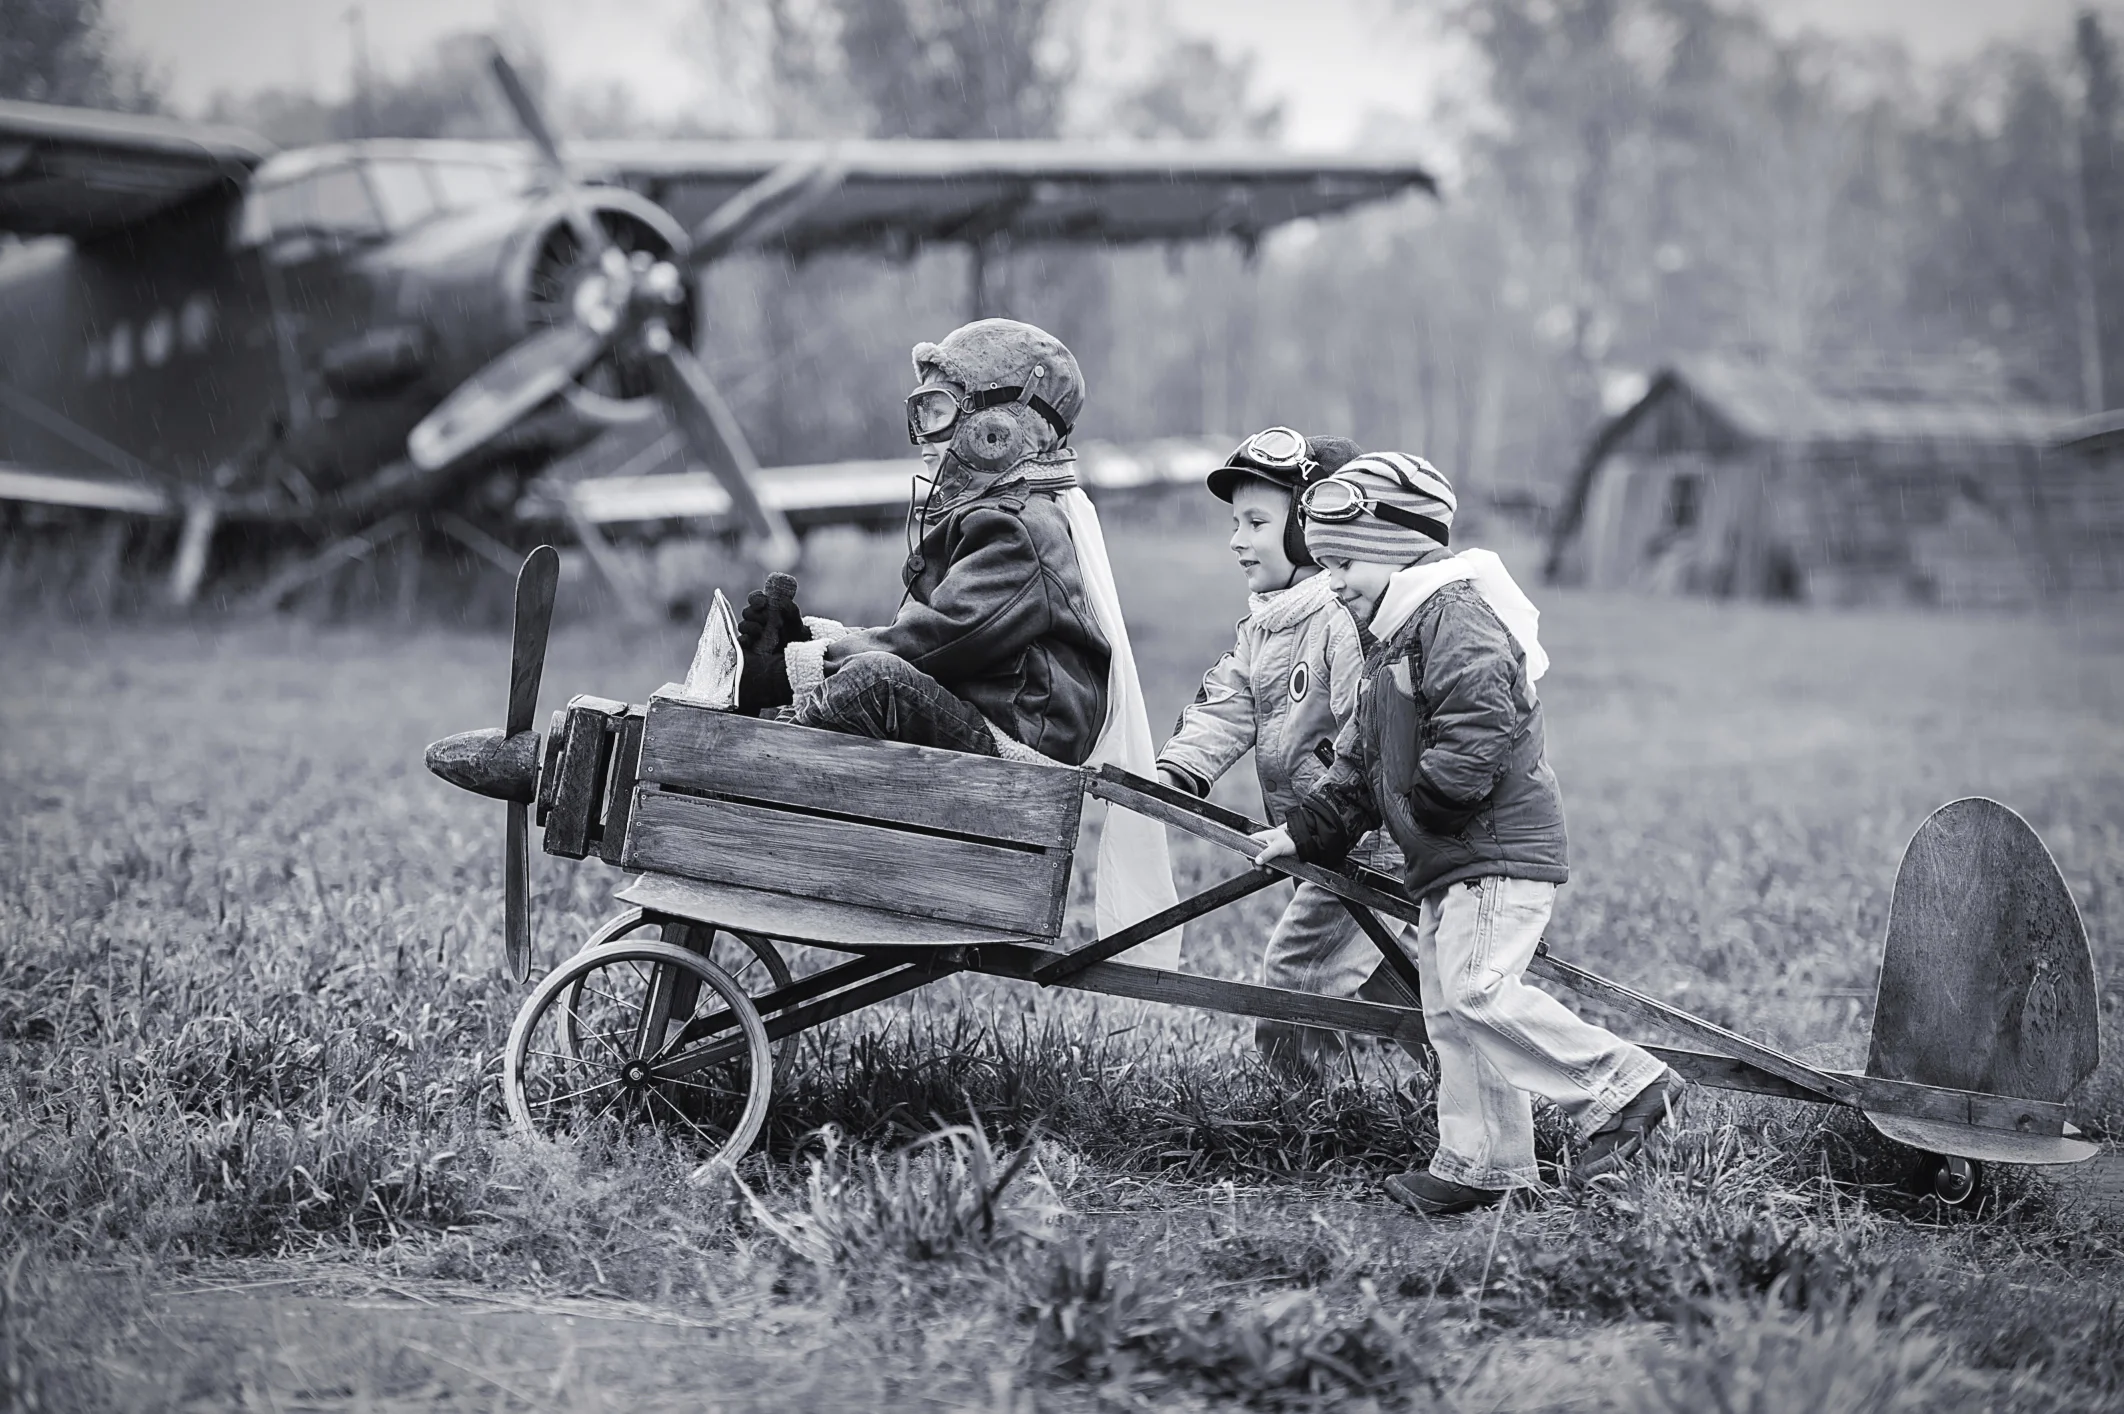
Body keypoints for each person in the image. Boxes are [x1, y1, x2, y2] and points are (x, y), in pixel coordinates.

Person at [1251, 452, 1684, 1216]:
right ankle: (1483, 1164)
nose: (1333, 581)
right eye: (1325, 564)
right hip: (1450, 858)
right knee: (1451, 1012)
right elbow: (1359, 761)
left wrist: (1433, 803)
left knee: (1479, 991)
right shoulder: (1392, 636)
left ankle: (1624, 1086)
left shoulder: (1454, 615)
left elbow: (1480, 718)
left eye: (1345, 562)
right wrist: (1307, 829)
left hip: (1492, 851)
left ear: (1397, 548)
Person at [737, 318, 1181, 966]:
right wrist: (814, 639)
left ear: (996, 428)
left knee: (877, 682)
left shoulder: (1019, 526)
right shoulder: (1001, 512)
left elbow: (941, 636)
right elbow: (927, 635)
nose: (923, 434)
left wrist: (796, 667)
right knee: (871, 676)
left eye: (938, 410)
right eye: (918, 412)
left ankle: (750, 793)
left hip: (1021, 750)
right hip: (994, 720)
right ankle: (767, 746)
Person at [1155, 427, 1425, 1084]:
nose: (1236, 539)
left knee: (1297, 973)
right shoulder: (1268, 622)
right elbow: (1226, 701)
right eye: (1235, 523)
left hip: (1365, 840)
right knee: (1405, 985)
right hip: (1322, 835)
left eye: (1256, 522)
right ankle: (1481, 1078)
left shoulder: (1343, 619)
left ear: (1310, 529)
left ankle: (1302, 1110)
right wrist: (1177, 770)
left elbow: (1371, 734)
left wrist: (1334, 822)